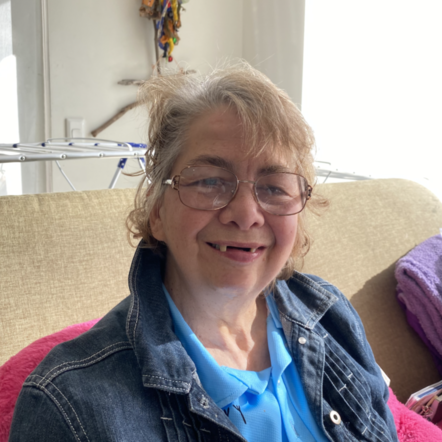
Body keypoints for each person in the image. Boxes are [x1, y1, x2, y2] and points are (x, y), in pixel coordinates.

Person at [9, 63, 398, 442]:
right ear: (157, 210)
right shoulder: (68, 403)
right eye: (210, 180)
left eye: (274, 187)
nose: (246, 215)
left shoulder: (330, 314)